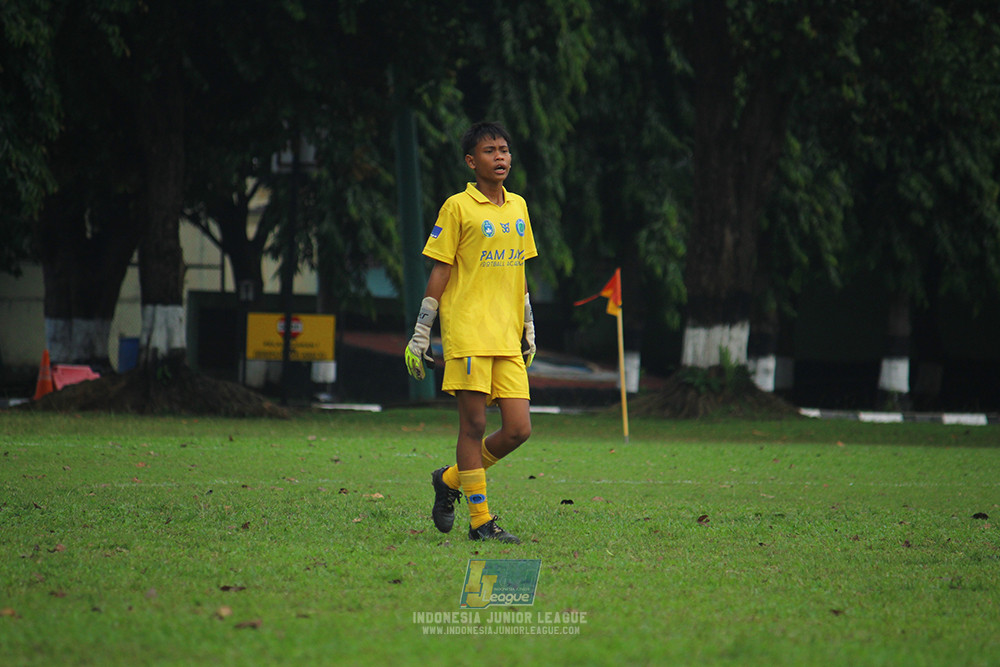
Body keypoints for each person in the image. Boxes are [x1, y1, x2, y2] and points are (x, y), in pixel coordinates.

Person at [404, 121, 538, 544]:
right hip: (467, 334)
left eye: (504, 149)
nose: (500, 157)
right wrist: (422, 331)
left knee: (518, 429)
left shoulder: (518, 206)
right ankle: (481, 521)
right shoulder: (457, 207)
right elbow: (441, 268)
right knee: (474, 426)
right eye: (489, 151)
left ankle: (448, 479)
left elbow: (520, 270)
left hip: (506, 335)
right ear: (471, 161)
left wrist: (529, 322)